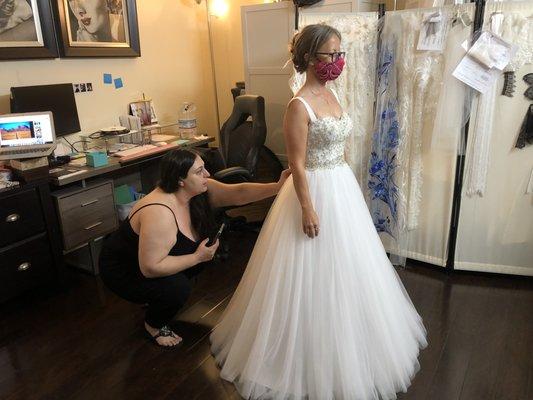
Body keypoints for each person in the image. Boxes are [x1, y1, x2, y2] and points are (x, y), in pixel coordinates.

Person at [210, 24, 428, 400]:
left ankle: (349, 338)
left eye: (340, 54)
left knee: (349, 269)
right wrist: (308, 209)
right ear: (310, 57)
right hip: (310, 191)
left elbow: (338, 147)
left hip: (340, 187)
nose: (337, 62)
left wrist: (349, 189)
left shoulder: (331, 94)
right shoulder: (298, 105)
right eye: (331, 55)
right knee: (304, 273)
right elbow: (296, 163)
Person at [99, 149, 291, 348]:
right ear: (180, 180)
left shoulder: (197, 190)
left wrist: (278, 187)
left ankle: (156, 296)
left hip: (147, 260)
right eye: (199, 171)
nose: (207, 174)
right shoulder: (159, 212)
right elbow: (150, 267)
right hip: (124, 270)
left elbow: (239, 193)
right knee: (178, 287)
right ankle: (153, 325)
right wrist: (197, 257)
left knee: (190, 267)